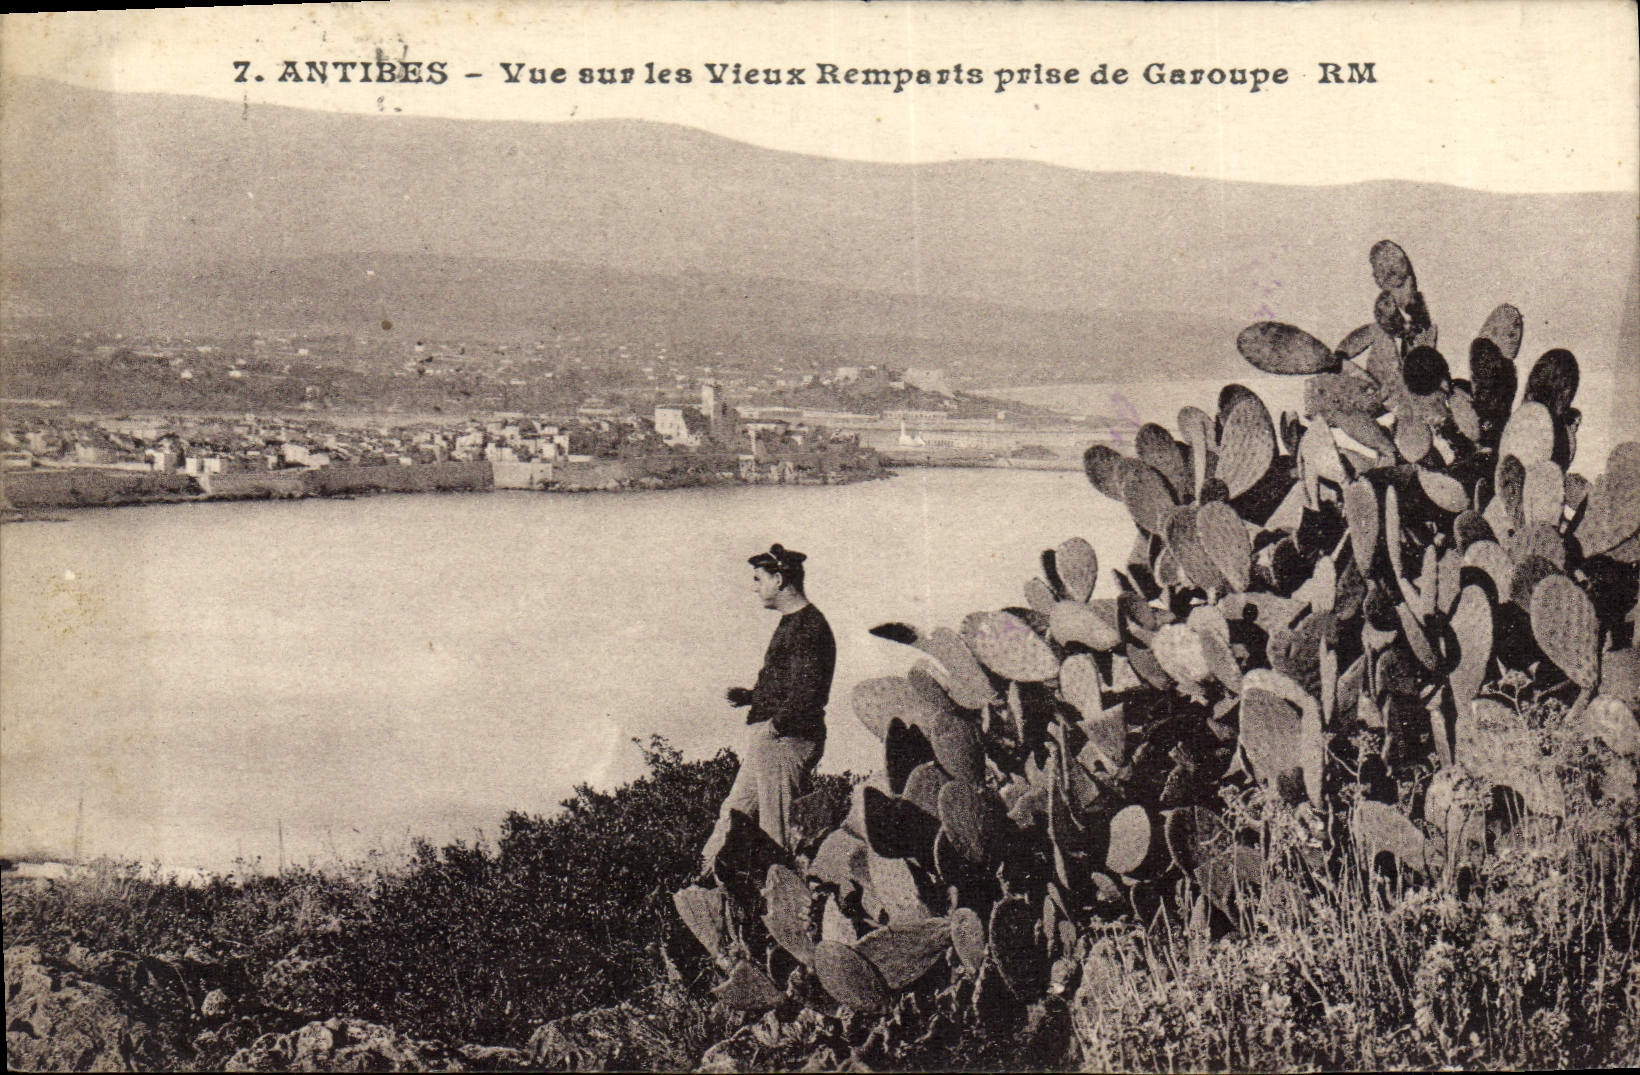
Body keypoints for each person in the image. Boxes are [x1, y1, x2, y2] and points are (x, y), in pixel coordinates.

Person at [697, 543, 835, 879]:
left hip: (785, 740)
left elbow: (807, 693)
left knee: (777, 829)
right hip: (772, 739)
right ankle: (703, 881)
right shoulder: (796, 623)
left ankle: (782, 898)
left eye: (759, 579)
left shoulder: (808, 628)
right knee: (734, 811)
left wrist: (774, 727)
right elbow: (788, 683)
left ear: (780, 580)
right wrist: (750, 697)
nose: (755, 586)